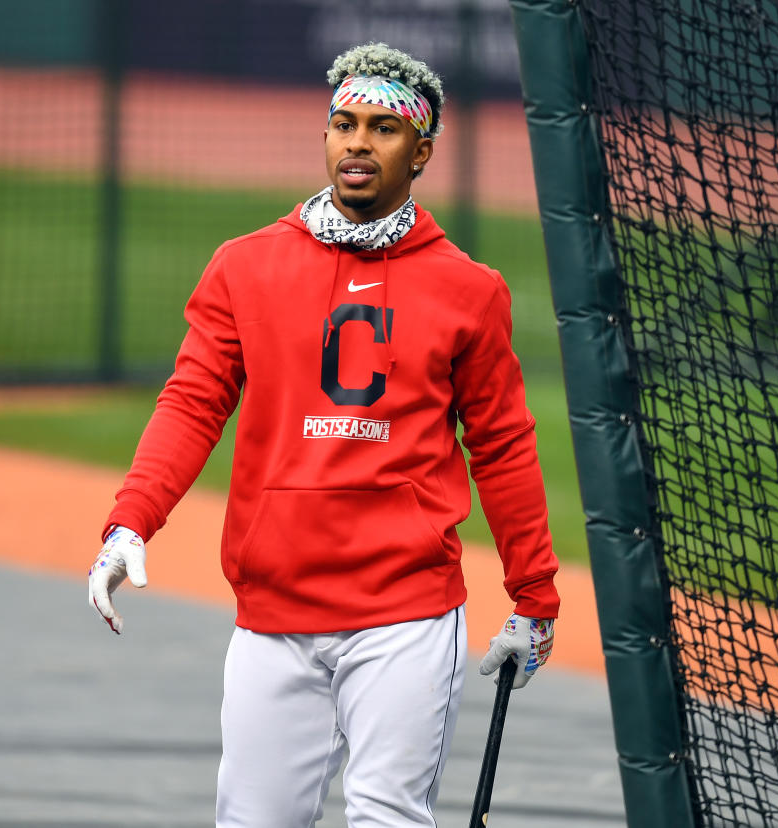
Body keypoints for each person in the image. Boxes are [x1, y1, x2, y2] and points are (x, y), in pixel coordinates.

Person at [87, 42, 559, 827]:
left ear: (423, 151)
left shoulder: (470, 291)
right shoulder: (243, 266)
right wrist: (131, 519)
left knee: (386, 819)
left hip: (405, 614)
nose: (357, 144)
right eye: (343, 124)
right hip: (273, 612)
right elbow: (193, 401)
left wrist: (534, 596)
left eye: (382, 128)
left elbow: (503, 444)